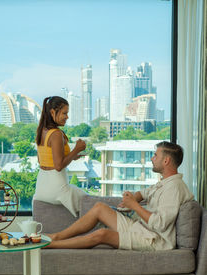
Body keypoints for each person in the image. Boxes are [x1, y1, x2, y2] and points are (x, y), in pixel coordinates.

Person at [47, 141, 194, 250]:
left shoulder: (174, 188)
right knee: (99, 208)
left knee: (102, 234)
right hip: (141, 228)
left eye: (155, 155)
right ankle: (57, 236)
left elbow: (160, 224)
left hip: (154, 240)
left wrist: (134, 206)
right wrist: (132, 199)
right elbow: (143, 193)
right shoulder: (164, 182)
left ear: (166, 160)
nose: (152, 159)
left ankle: (51, 245)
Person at [33, 96, 87, 216]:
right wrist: (76, 149)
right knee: (90, 202)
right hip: (57, 189)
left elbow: (43, 160)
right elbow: (58, 166)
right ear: (52, 112)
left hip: (41, 187)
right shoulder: (56, 134)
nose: (67, 117)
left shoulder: (42, 131)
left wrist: (73, 156)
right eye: (64, 113)